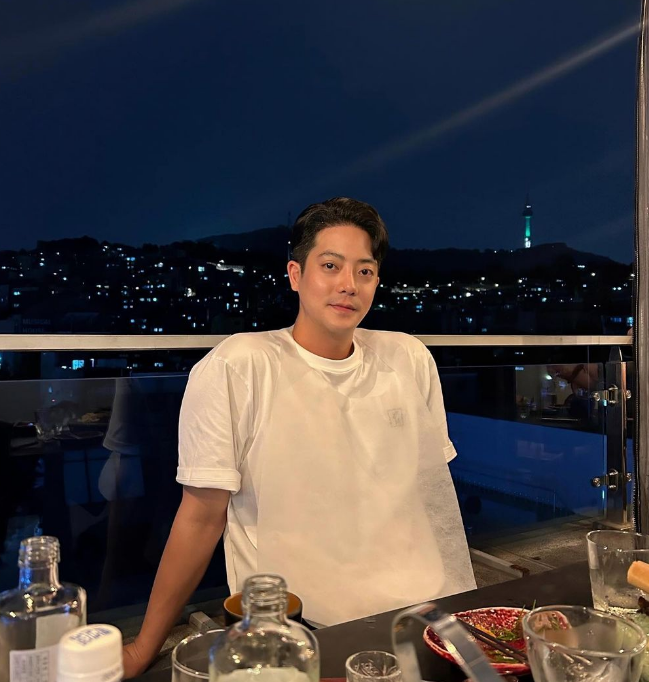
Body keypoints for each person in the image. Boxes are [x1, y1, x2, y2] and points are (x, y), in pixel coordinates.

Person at [123, 197, 475, 677]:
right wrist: (143, 648)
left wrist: (458, 607)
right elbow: (201, 517)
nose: (348, 284)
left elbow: (427, 493)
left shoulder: (407, 358)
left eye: (365, 271)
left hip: (422, 611)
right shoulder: (239, 365)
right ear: (295, 274)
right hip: (298, 627)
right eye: (330, 266)